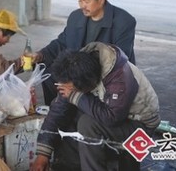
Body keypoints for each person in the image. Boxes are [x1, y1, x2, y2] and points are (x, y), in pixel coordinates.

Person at [31, 42, 160, 171]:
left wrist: (76, 97)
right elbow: (58, 111)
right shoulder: (76, 68)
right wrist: (43, 155)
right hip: (111, 113)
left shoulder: (120, 78)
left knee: (88, 124)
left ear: (87, 84)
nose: (69, 90)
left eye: (73, 89)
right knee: (67, 114)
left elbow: (112, 118)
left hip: (140, 126)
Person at [33, 0, 136, 105]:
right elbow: (62, 42)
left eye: (86, 1)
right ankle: (54, 113)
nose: (82, 6)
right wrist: (40, 54)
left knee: (82, 103)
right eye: (79, 1)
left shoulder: (124, 22)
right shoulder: (76, 17)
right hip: (79, 71)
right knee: (48, 72)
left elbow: (117, 62)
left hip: (107, 76)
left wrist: (78, 82)